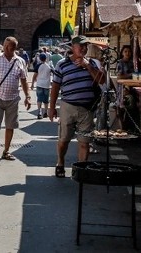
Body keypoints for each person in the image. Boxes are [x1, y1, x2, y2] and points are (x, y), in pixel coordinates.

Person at [47, 35, 105, 178]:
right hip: (68, 106)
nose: (84, 48)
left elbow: (101, 80)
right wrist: (51, 107)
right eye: (81, 46)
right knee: (63, 140)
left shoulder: (93, 63)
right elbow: (55, 87)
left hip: (87, 109)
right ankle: (60, 162)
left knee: (84, 142)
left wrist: (88, 66)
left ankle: (81, 170)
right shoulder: (62, 64)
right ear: (73, 47)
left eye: (86, 46)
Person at [0, 36, 30, 162]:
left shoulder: (20, 61)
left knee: (10, 126)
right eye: (4, 45)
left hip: (13, 98)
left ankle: (6, 151)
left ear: (14, 47)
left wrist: (28, 96)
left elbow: (24, 80)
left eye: (7, 46)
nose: (4, 48)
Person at [31, 53, 53, 118]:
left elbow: (34, 76)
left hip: (39, 84)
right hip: (47, 85)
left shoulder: (38, 66)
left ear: (40, 59)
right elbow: (53, 74)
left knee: (39, 99)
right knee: (46, 100)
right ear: (46, 59)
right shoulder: (49, 66)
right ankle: (45, 112)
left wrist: (32, 84)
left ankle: (39, 112)